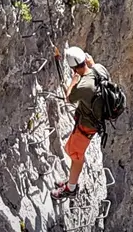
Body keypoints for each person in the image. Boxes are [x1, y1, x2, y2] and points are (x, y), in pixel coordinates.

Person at [53, 45, 108, 200]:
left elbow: (68, 97)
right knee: (74, 151)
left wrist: (73, 81)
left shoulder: (84, 86)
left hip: (86, 126)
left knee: (75, 155)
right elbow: (97, 71)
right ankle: (72, 179)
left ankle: (71, 188)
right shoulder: (99, 68)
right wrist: (91, 64)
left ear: (74, 68)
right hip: (96, 120)